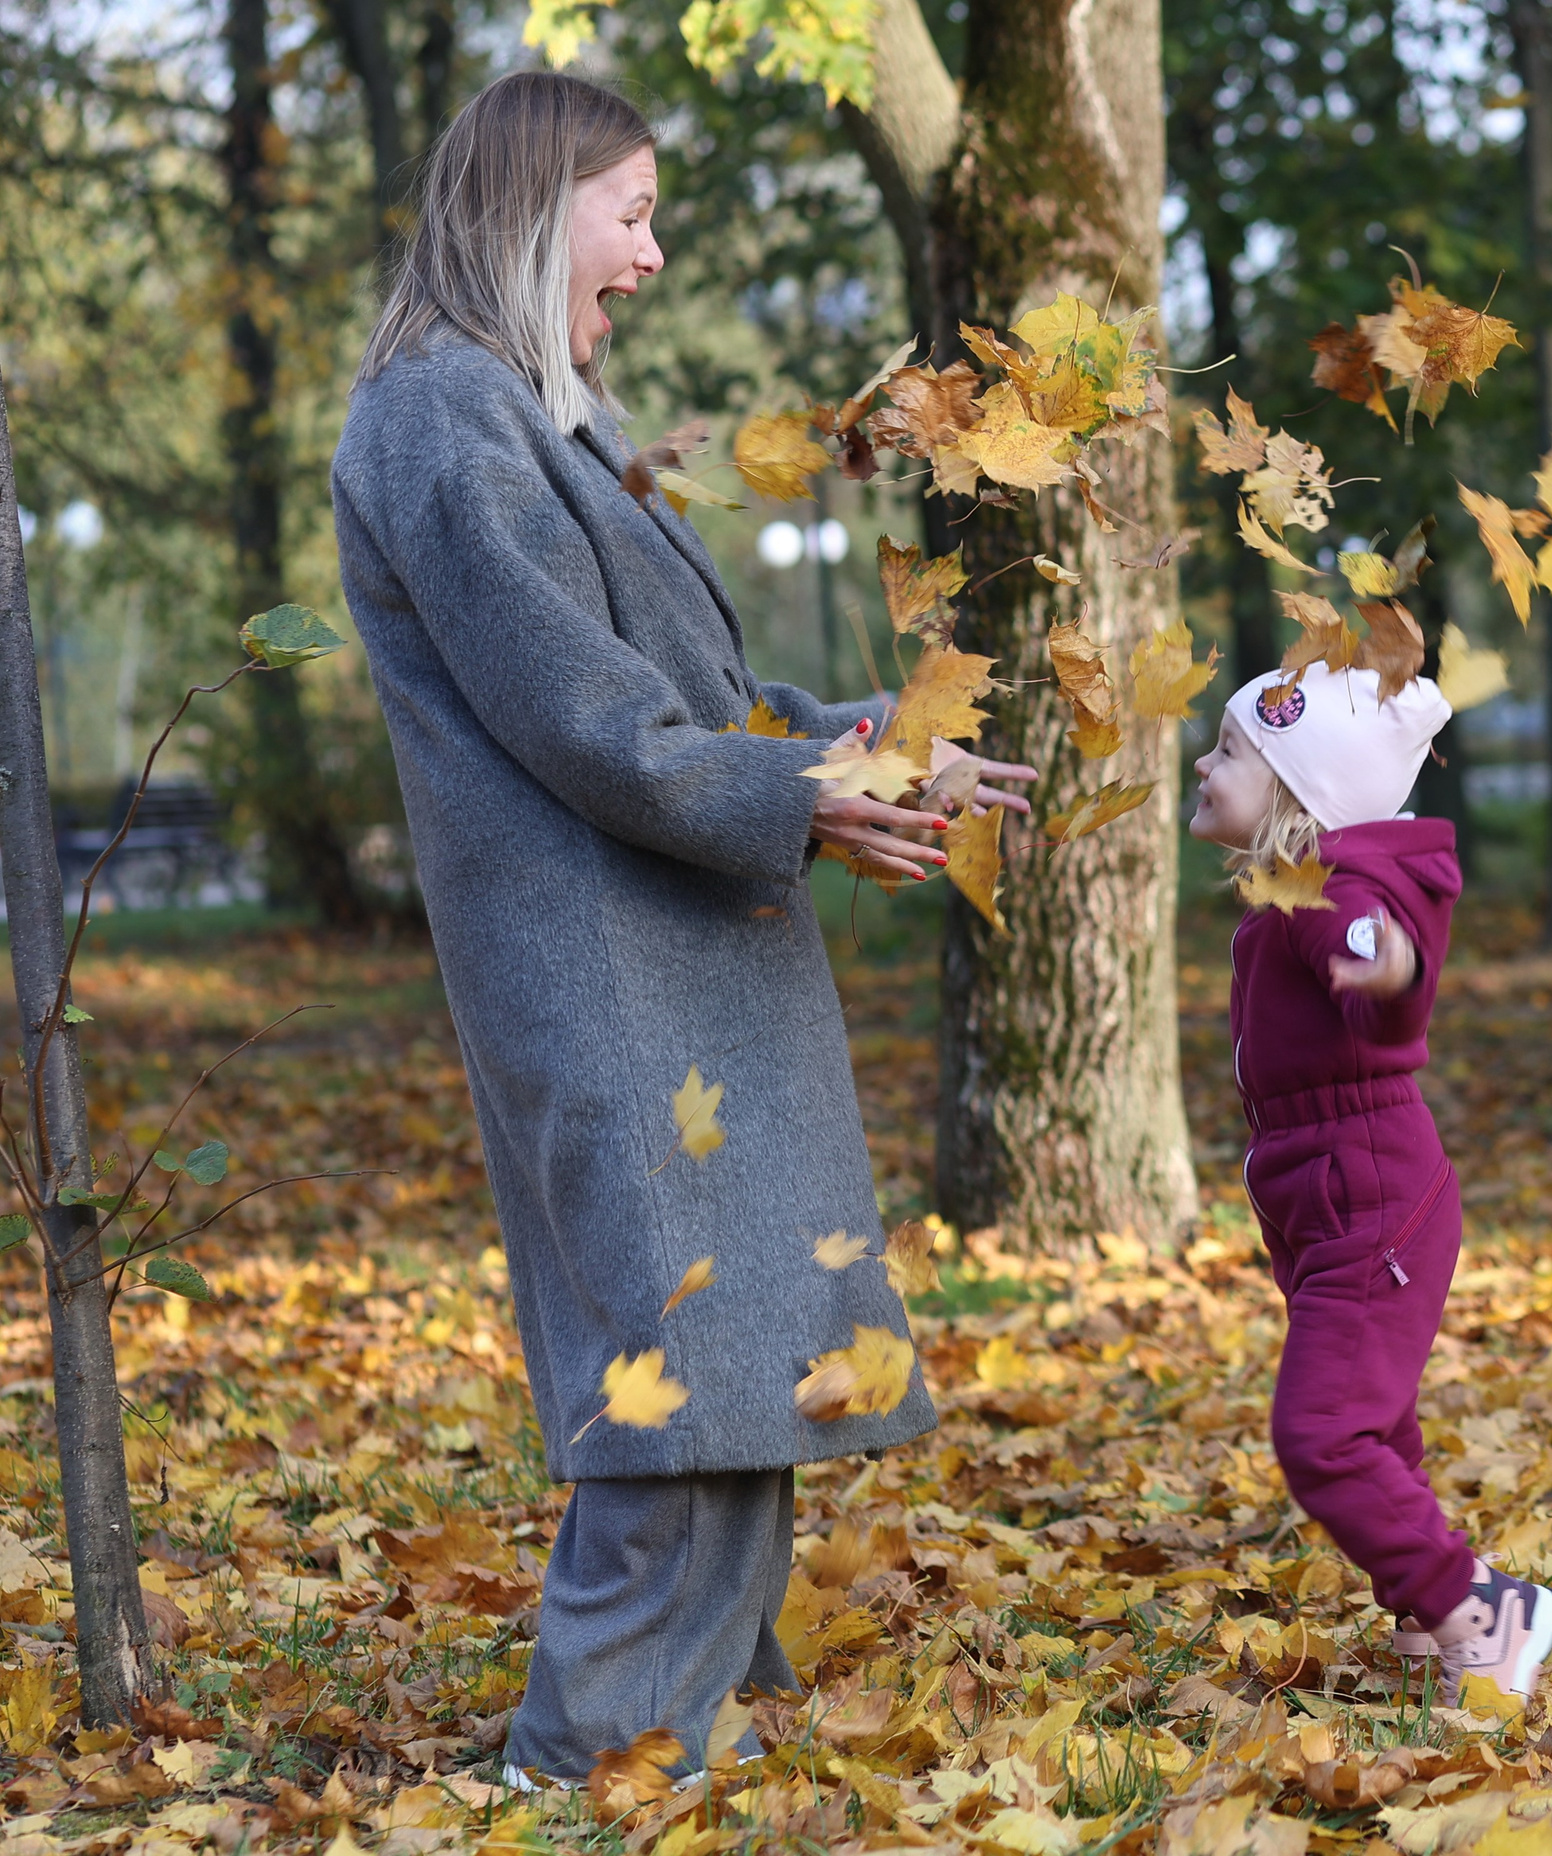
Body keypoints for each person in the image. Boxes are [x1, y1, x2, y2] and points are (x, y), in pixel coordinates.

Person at [330, 71, 1030, 1784]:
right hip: (604, 974)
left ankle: (677, 1748)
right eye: (628, 213)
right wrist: (791, 794)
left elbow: (691, 692)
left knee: (743, 1383)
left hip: (679, 958)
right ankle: (576, 1777)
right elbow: (585, 721)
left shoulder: (537, 415)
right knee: (674, 1390)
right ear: (529, 207)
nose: (650, 254)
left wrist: (871, 738)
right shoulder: (439, 422)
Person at [1190, 662, 1552, 1703]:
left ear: (1300, 796)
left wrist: (1392, 975)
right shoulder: (1286, 896)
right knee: (1374, 1418)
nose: (1202, 763)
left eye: (1228, 752)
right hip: (1330, 1191)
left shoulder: (1326, 893)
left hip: (1369, 1189)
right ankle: (1427, 1619)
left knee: (1323, 1432)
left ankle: (1481, 1611)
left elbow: (1377, 956)